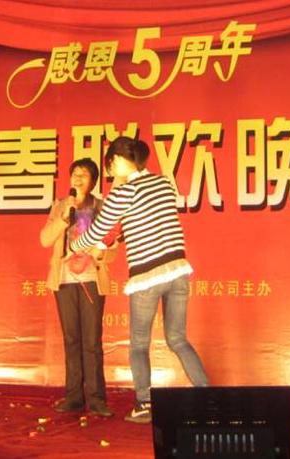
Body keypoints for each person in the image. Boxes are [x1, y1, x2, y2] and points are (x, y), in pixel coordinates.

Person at [70, 137, 208, 424]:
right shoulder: (164, 183)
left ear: (119, 161)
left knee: (139, 345)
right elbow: (142, 221)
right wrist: (110, 242)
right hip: (178, 271)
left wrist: (74, 246)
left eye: (111, 165)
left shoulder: (123, 192)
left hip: (147, 276)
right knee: (178, 339)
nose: (111, 172)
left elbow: (97, 230)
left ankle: (145, 404)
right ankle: (209, 399)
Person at [40, 157, 116, 417]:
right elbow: (45, 239)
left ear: (93, 181)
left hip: (92, 280)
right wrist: (64, 218)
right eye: (74, 173)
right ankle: (73, 397)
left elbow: (112, 245)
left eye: (84, 174)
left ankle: (96, 400)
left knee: (92, 341)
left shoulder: (101, 207)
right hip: (64, 280)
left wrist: (98, 252)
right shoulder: (60, 205)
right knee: (71, 339)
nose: (78, 177)